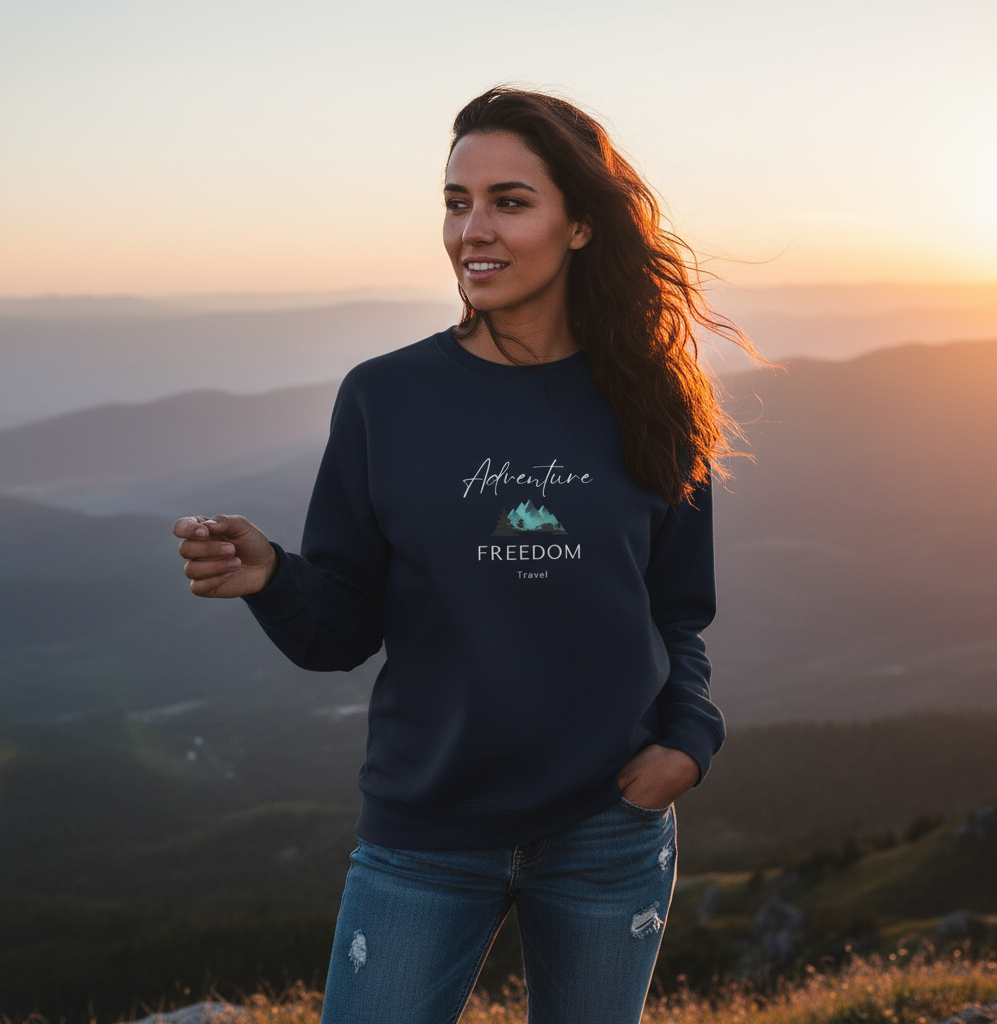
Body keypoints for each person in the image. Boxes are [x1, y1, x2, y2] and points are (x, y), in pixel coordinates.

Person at [173, 87, 754, 1024]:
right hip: (426, 830)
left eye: (509, 201)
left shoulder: (653, 400)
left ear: (578, 226)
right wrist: (275, 579)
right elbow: (342, 629)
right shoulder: (384, 398)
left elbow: (677, 607)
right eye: (456, 201)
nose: (470, 230)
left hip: (610, 825)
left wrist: (688, 741)